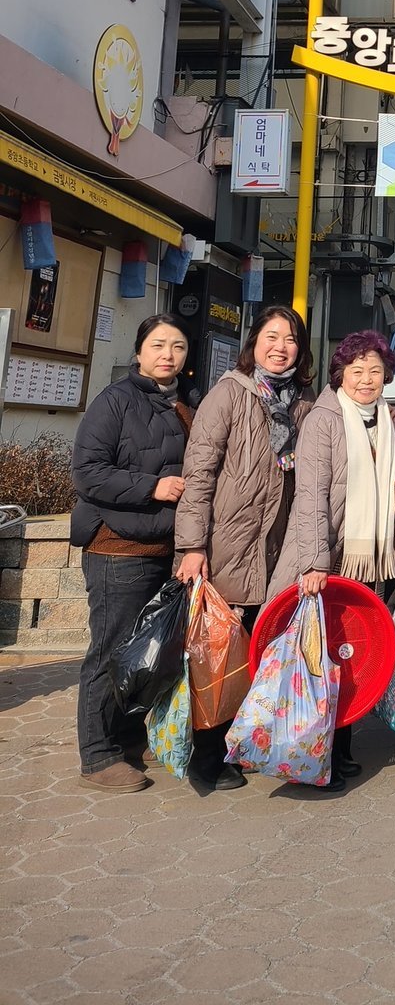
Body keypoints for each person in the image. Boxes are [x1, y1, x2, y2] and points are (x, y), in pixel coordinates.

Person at [174, 304, 315, 789]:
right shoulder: (229, 394)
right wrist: (192, 545)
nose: (280, 347)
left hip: (276, 546)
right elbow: (199, 474)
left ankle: (243, 743)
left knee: (257, 648)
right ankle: (207, 756)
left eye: (290, 339)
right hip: (226, 543)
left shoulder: (302, 401)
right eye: (271, 337)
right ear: (253, 343)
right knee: (217, 655)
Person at [268, 330, 395, 791]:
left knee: (351, 651)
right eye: (356, 370)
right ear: (340, 374)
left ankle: (339, 747)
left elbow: (394, 473)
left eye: (375, 371)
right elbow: (310, 497)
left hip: (368, 556)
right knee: (321, 653)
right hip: (330, 557)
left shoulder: (384, 416)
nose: (366, 379)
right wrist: (315, 562)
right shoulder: (323, 420)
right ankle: (313, 751)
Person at [71, 315, 191, 793]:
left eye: (177, 346)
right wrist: (152, 486)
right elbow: (88, 472)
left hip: (163, 546)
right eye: (158, 345)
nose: (168, 354)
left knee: (146, 652)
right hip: (118, 548)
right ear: (139, 351)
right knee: (111, 650)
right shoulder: (115, 400)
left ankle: (128, 739)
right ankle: (97, 755)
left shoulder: (184, 401)